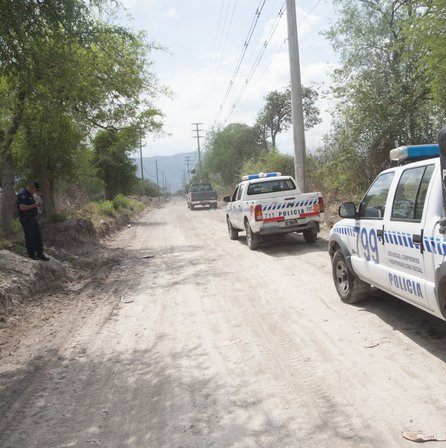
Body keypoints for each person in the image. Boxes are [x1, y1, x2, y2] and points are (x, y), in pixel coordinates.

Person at [16, 181, 50, 261]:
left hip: (32, 218)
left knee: (38, 235)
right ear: (31, 187)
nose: (35, 192)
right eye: (35, 190)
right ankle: (31, 254)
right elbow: (22, 207)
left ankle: (40, 253)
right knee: (30, 237)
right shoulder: (22, 194)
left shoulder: (30, 194)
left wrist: (38, 206)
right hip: (26, 218)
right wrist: (34, 205)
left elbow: (32, 206)